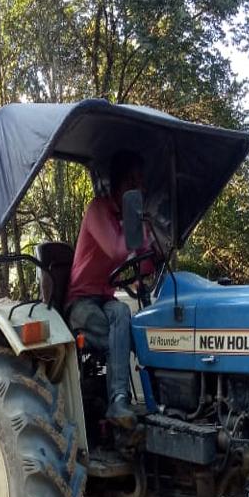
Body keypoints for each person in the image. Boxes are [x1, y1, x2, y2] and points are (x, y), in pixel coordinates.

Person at [66, 150, 152, 427]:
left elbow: (143, 263)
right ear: (118, 184)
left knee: (124, 315)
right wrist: (138, 225)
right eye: (133, 183)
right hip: (80, 302)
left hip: (105, 299)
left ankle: (134, 401)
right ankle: (116, 402)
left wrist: (153, 255)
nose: (139, 190)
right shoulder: (98, 210)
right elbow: (116, 250)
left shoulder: (125, 219)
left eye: (141, 184)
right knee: (120, 335)